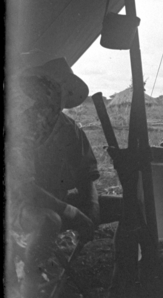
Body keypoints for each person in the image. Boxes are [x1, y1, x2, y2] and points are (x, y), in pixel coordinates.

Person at [7, 58, 120, 270]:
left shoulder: (70, 129)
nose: (49, 95)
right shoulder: (21, 128)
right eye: (44, 87)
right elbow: (26, 189)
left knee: (128, 206)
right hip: (19, 206)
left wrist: (92, 209)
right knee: (49, 220)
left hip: (58, 201)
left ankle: (123, 281)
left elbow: (86, 177)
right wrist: (73, 213)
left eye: (55, 89)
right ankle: (32, 287)